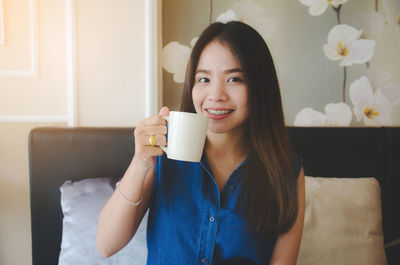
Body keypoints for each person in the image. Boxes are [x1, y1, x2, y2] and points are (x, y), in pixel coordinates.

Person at [96, 21, 305, 265]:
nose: (216, 95)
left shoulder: (286, 171)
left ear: (260, 86)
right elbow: (106, 245)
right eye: (203, 79)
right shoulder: (163, 156)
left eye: (234, 79)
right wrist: (140, 163)